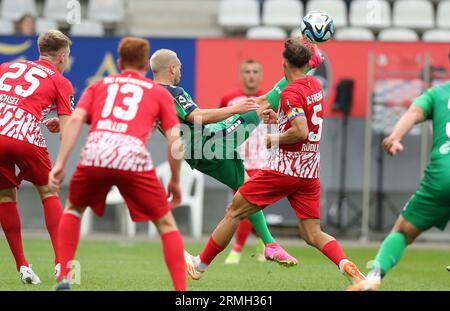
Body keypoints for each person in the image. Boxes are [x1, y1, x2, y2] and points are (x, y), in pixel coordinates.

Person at [184, 38, 366, 285]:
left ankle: (199, 265)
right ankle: (346, 266)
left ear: (284, 63)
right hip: (310, 171)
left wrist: (274, 138)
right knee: (311, 233)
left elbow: (300, 130)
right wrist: (277, 118)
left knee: (234, 211)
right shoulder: (313, 85)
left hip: (284, 169)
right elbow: (305, 122)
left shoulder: (290, 92)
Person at [49, 37, 187, 291]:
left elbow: (77, 118)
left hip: (96, 153)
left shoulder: (99, 86)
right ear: (146, 65)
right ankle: (181, 292)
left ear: (120, 62)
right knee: (166, 225)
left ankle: (64, 278)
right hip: (132, 156)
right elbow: (175, 140)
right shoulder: (159, 92)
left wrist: (60, 162)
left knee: (73, 209)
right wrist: (175, 181)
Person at [150, 49, 298, 269]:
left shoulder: (151, 95)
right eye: (179, 66)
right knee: (261, 104)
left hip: (197, 155)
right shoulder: (172, 92)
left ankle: (268, 245)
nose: (180, 70)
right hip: (210, 141)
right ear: (172, 68)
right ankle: (303, 67)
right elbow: (197, 117)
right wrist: (235, 109)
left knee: (245, 188)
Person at [347, 77, 450, 291]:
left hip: (443, 173)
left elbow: (413, 113)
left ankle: (374, 276)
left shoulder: (438, 94)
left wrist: (395, 137)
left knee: (402, 232)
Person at [0, 30, 73, 284]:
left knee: (5, 196)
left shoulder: (7, 67)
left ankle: (23, 267)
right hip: (24, 134)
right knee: (49, 193)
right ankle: (61, 265)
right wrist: (62, 161)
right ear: (62, 57)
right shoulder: (60, 81)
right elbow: (68, 128)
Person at [220, 59, 268, 264]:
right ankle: (263, 242)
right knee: (247, 207)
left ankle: (237, 249)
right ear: (241, 75)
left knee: (247, 203)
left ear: (260, 75)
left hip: (262, 161)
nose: (251, 75)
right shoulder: (229, 99)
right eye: (247, 71)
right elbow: (219, 123)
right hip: (237, 160)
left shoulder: (269, 99)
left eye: (255, 71)